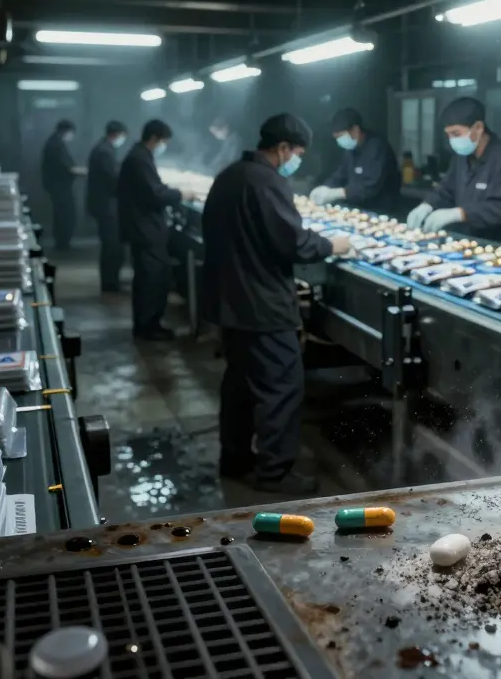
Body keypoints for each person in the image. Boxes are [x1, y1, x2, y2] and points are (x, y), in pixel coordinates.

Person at [202, 113, 351, 493]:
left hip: (229, 304)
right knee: (281, 387)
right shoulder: (267, 182)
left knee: (238, 385)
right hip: (262, 306)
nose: (296, 159)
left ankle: (234, 459)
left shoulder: (229, 176)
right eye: (297, 152)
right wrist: (331, 244)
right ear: (283, 148)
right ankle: (275, 472)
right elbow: (293, 242)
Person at [405, 97, 501, 240]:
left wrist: (460, 214)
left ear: (478, 128)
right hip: (468, 239)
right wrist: (427, 205)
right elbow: (446, 190)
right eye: (449, 135)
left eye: (456, 134)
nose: (452, 140)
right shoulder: (461, 157)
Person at [117, 119, 193, 340]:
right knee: (151, 278)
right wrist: (180, 194)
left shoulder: (139, 156)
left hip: (143, 228)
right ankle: (148, 326)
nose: (163, 146)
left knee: (150, 276)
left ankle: (148, 323)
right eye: (163, 141)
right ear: (154, 138)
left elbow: (152, 187)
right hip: (145, 230)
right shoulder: (139, 159)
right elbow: (154, 193)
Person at [309, 107, 401, 215]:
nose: (339, 141)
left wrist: (337, 193)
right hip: (357, 208)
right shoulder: (351, 149)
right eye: (336, 138)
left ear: (355, 130)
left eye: (341, 136)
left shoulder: (376, 148)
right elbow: (340, 175)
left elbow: (369, 188)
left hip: (380, 209)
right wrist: (325, 187)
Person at [86, 120, 128, 293]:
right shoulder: (104, 152)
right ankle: (110, 284)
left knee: (111, 245)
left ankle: (111, 281)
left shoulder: (104, 149)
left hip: (105, 204)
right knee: (111, 246)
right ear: (117, 134)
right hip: (106, 206)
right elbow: (112, 179)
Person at [40, 119, 83, 251]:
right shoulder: (56, 145)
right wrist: (80, 171)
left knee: (62, 213)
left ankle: (62, 241)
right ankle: (63, 242)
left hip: (57, 185)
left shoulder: (54, 142)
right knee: (65, 214)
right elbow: (65, 166)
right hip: (60, 186)